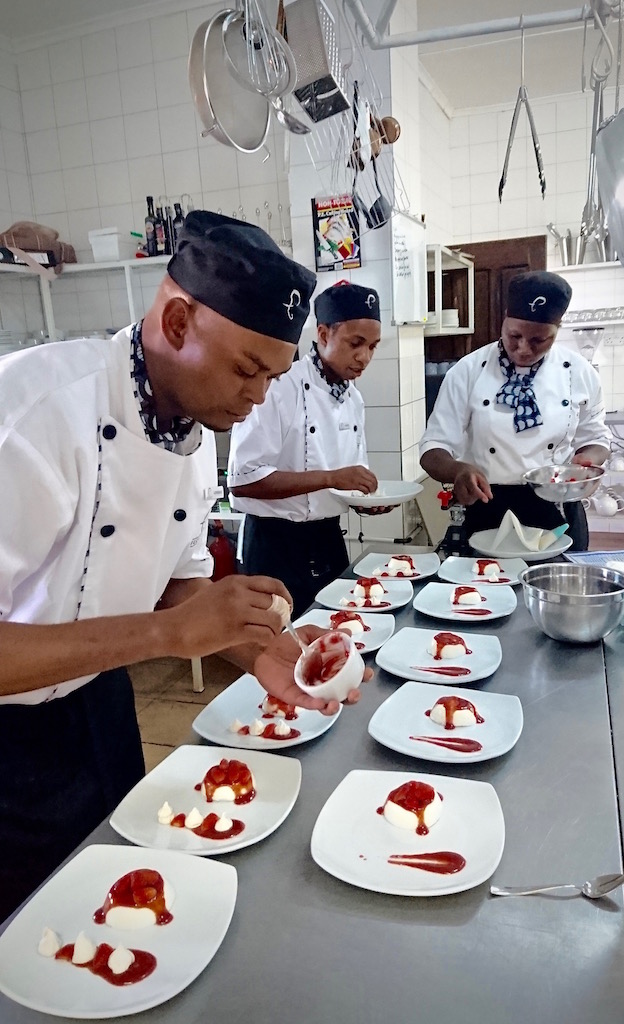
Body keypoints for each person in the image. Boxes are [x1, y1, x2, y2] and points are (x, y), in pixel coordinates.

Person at [0, 211, 362, 922]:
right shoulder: (32, 416)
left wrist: (261, 652)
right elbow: (166, 624)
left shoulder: (194, 435)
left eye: (274, 375)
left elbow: (177, 586)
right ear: (174, 321)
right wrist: (168, 637)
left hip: (97, 710)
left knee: (109, 900)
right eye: (246, 370)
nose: (259, 397)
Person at [228, 281, 387, 618]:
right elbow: (242, 482)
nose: (365, 357)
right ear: (323, 334)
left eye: (373, 346)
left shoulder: (353, 399)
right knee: (281, 649)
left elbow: (348, 480)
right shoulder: (278, 386)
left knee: (341, 633)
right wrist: (331, 477)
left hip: (328, 539)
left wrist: (364, 501)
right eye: (355, 343)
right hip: (274, 546)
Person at [419, 271, 610, 550]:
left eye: (539, 340)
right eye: (514, 335)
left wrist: (586, 460)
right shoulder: (468, 371)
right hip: (487, 506)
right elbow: (432, 448)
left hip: (556, 506)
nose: (523, 349)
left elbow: (596, 438)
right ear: (505, 318)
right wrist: (457, 470)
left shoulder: (579, 372)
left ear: (557, 328)